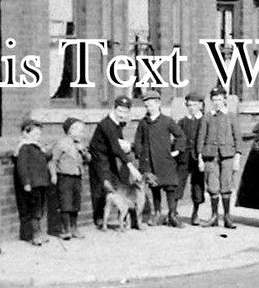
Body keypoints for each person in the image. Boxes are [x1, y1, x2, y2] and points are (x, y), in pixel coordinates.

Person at [134, 90, 186, 226]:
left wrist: (177, 151)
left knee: (170, 188)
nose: (149, 108)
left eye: (151, 105)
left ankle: (172, 215)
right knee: (154, 188)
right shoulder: (143, 123)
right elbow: (138, 140)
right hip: (149, 161)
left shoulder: (167, 121)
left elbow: (181, 136)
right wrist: (139, 154)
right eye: (146, 106)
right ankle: (157, 214)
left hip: (165, 161)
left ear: (158, 104)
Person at [89, 97, 141, 230]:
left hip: (110, 159)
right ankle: (99, 219)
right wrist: (132, 167)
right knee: (102, 188)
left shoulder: (117, 123)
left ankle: (121, 220)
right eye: (120, 111)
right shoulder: (106, 124)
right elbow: (116, 147)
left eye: (125, 111)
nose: (122, 114)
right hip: (99, 160)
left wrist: (128, 145)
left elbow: (119, 142)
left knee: (116, 187)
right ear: (114, 108)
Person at [198, 87, 242, 229]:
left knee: (226, 185)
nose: (216, 102)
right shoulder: (207, 117)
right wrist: (200, 158)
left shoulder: (231, 116)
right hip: (210, 157)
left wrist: (237, 158)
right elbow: (201, 138)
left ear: (224, 100)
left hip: (227, 156)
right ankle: (214, 216)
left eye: (219, 99)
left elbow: (238, 139)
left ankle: (227, 217)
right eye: (214, 99)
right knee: (212, 186)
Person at [49, 117, 89, 239]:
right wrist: (53, 175)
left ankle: (74, 228)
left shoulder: (80, 145)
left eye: (82, 131)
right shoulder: (61, 144)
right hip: (64, 177)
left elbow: (88, 160)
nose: (81, 133)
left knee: (75, 203)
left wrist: (85, 153)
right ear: (69, 130)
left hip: (77, 177)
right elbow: (52, 161)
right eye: (78, 130)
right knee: (65, 203)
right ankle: (65, 229)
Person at [14, 119, 51, 246]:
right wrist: (26, 182)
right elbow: (22, 166)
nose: (38, 136)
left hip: (41, 183)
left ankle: (38, 231)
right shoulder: (24, 147)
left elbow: (45, 158)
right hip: (32, 184)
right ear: (25, 132)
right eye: (35, 133)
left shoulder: (37, 146)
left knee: (39, 209)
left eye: (39, 133)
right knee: (33, 210)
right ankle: (33, 234)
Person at [177, 92, 207, 225]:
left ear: (200, 105)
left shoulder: (205, 120)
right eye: (189, 105)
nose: (192, 108)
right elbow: (177, 138)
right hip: (183, 158)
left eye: (195, 105)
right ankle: (173, 212)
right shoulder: (183, 121)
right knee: (178, 183)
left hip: (198, 158)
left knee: (197, 184)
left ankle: (195, 213)